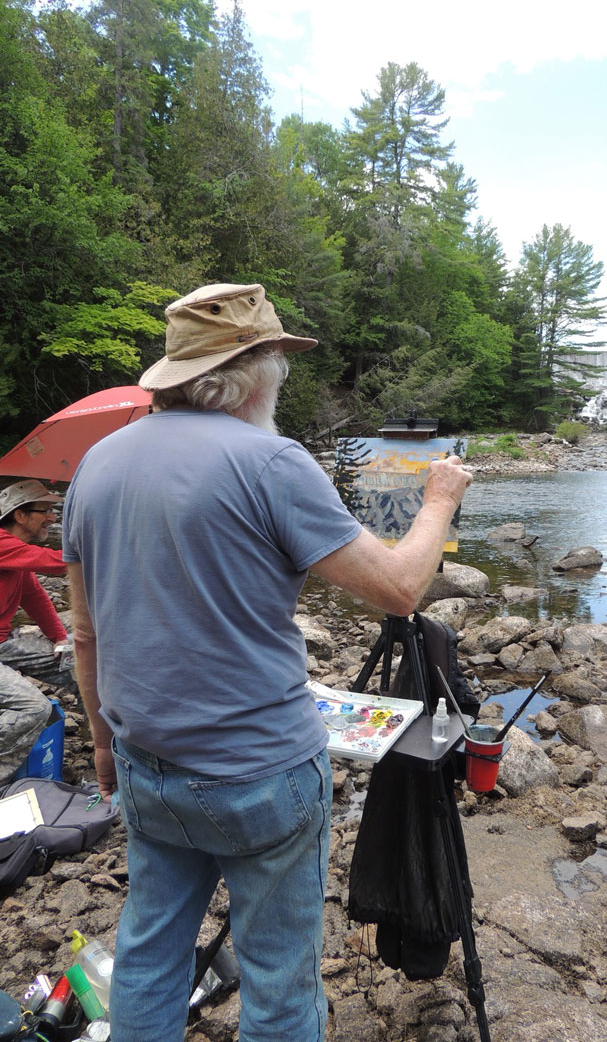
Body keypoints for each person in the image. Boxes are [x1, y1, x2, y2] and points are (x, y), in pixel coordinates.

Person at [62, 282, 472, 1042]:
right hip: (261, 776)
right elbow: (400, 587)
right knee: (280, 983)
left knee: (150, 954)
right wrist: (439, 499)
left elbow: (85, 633)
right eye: (278, 361)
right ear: (252, 373)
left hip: (145, 760)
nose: (282, 376)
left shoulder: (97, 464)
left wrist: (99, 742)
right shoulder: (270, 461)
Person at [0, 479, 68, 783]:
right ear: (20, 515)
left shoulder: (16, 556)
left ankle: (112, 751)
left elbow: (36, 598)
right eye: (46, 510)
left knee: (83, 666)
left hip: (3, 643)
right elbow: (51, 562)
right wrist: (101, 550)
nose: (53, 518)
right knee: (34, 707)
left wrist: (60, 639)